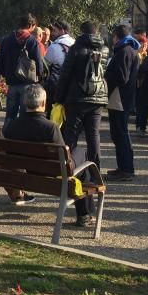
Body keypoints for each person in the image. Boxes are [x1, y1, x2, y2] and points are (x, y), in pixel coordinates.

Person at [54, 21, 108, 226]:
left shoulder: (76, 49)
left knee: (72, 135)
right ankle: (96, 168)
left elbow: (65, 74)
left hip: (76, 97)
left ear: (81, 32)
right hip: (97, 97)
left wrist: (59, 98)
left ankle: (70, 166)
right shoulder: (104, 48)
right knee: (94, 134)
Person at [6, 84, 77, 206]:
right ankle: (84, 213)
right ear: (43, 103)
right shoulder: (50, 127)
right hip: (49, 173)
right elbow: (65, 161)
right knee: (81, 155)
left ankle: (18, 195)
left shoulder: (12, 125)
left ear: (24, 102)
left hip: (23, 172)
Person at [104, 24, 140, 181]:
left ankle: (126, 169)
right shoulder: (128, 50)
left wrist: (106, 79)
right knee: (118, 133)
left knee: (120, 133)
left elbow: (122, 76)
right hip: (121, 97)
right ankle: (123, 167)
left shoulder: (124, 51)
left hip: (119, 97)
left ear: (116, 37)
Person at [0, 13, 44, 129]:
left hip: (12, 83)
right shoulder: (32, 41)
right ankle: (22, 138)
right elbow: (39, 62)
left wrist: (6, 74)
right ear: (31, 25)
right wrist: (39, 77)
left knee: (10, 115)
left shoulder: (7, 40)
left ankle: (7, 136)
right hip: (27, 82)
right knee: (25, 114)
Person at [43, 21, 75, 114]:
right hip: (72, 87)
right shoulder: (75, 43)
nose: (52, 33)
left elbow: (46, 65)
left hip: (56, 86)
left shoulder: (54, 47)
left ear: (62, 31)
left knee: (53, 112)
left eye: (54, 30)